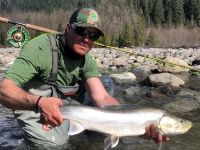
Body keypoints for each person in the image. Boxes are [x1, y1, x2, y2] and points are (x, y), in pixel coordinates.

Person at [0, 8, 169, 149]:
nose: (86, 39)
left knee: (106, 83)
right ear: (67, 28)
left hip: (66, 104)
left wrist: (133, 125)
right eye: (81, 31)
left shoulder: (86, 59)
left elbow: (101, 97)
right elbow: (4, 91)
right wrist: (39, 103)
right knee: (55, 146)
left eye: (93, 36)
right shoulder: (39, 49)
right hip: (34, 106)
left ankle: (90, 127)